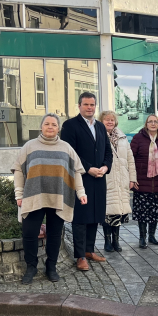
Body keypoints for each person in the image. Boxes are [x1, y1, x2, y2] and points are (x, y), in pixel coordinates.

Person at [11, 114, 87, 284]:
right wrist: (18, 194)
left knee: (54, 234)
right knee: (29, 233)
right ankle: (31, 267)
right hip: (33, 196)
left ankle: (51, 267)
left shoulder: (66, 148)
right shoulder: (29, 146)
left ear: (58, 128)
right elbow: (18, 170)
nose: (50, 127)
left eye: (54, 124)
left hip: (58, 198)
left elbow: (77, 172)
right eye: (47, 124)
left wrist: (81, 193)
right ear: (41, 127)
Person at [60, 92, 113, 271]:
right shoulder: (70, 126)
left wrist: (105, 167)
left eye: (92, 105)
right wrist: (88, 167)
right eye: (86, 104)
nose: (90, 108)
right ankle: (80, 255)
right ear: (79, 105)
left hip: (99, 178)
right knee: (81, 218)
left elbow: (107, 151)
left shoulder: (99, 126)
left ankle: (89, 250)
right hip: (81, 178)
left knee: (95, 215)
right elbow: (70, 152)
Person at [130, 114, 158, 248]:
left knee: (155, 210)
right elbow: (130, 159)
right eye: (150, 122)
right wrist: (132, 178)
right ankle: (142, 237)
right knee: (142, 211)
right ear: (146, 124)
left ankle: (152, 236)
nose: (153, 124)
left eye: (155, 122)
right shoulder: (138, 138)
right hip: (142, 180)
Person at [100, 110, 137, 253]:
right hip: (107, 178)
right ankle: (107, 241)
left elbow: (130, 159)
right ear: (101, 121)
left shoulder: (122, 137)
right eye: (106, 119)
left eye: (112, 120)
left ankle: (116, 240)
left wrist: (132, 178)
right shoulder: (99, 136)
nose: (110, 122)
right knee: (108, 211)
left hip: (122, 178)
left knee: (119, 211)